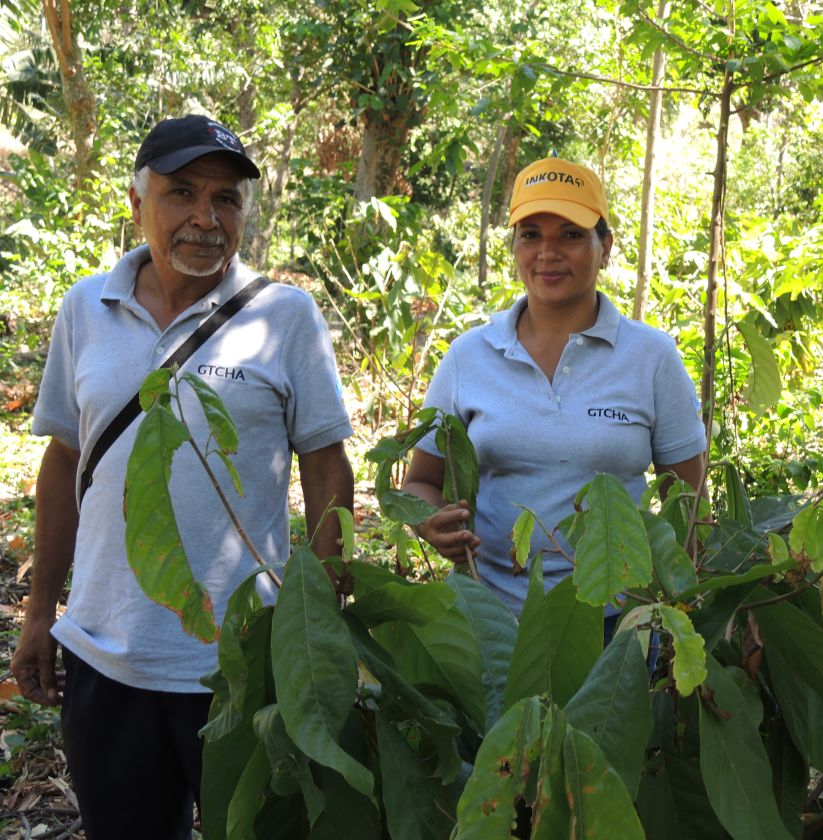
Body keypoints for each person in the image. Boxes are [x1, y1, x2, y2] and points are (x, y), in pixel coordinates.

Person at [11, 115, 354, 838]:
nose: (206, 218)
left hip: (243, 662)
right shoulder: (85, 309)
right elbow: (67, 458)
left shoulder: (285, 316)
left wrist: (325, 621)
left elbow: (325, 461)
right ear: (136, 203)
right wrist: (42, 609)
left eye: (226, 199)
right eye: (181, 193)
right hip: (107, 656)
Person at [403, 156, 706, 616]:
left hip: (615, 621)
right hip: (490, 618)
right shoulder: (469, 358)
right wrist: (430, 522)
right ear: (514, 248)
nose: (548, 252)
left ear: (605, 246)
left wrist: (701, 613)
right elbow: (421, 483)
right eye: (531, 235)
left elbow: (691, 510)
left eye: (570, 234)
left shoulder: (651, 358)